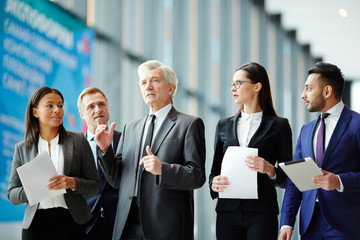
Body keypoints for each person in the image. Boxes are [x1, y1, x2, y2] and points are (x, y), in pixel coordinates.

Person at [94, 59, 206, 240]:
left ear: (170, 88)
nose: (148, 87)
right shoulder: (131, 128)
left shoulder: (189, 124)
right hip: (127, 224)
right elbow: (117, 180)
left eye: (154, 81)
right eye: (143, 83)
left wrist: (163, 169)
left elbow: (197, 175)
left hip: (166, 226)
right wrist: (106, 150)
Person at [209, 62, 292, 240]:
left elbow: (287, 177)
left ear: (257, 86)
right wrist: (213, 184)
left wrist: (270, 170)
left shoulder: (280, 126)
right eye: (232, 84)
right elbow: (214, 172)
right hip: (227, 212)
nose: (233, 88)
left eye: (238, 83)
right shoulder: (224, 125)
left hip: (262, 211)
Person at [278, 62, 360, 240]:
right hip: (310, 225)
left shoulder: (357, 124)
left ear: (327, 91)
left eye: (308, 88)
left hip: (345, 225)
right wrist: (286, 222)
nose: (303, 95)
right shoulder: (306, 130)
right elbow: (295, 181)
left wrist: (339, 181)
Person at [8, 86, 100, 240]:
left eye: (60, 105)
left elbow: (95, 185)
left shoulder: (78, 141)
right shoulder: (23, 148)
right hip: (35, 226)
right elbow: (12, 194)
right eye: (50, 105)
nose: (57, 110)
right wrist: (34, 189)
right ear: (35, 112)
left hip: (71, 222)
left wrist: (72, 182)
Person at [78, 87, 121, 240]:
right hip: (87, 225)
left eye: (102, 104)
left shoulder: (126, 140)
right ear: (82, 114)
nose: (98, 110)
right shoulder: (74, 147)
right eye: (91, 107)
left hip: (121, 223)